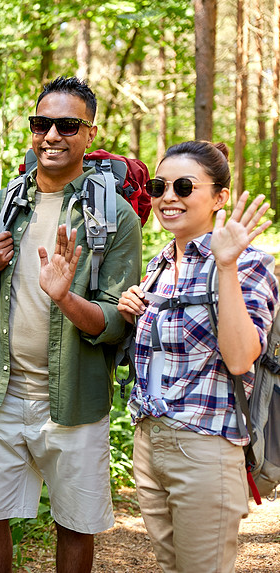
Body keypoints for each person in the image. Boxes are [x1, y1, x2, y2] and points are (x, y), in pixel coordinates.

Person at [0, 76, 143, 573]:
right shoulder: (0, 205)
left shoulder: (116, 219)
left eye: (67, 125)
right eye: (42, 123)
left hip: (74, 398)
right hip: (2, 392)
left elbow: (114, 321)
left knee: (75, 523)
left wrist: (64, 297)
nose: (52, 135)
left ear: (89, 133)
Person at [117, 141, 278, 573]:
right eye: (159, 186)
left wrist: (224, 266)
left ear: (219, 197)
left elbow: (241, 357)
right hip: (150, 440)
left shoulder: (249, 263)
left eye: (184, 186)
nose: (168, 197)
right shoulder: (158, 266)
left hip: (206, 445)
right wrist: (133, 309)